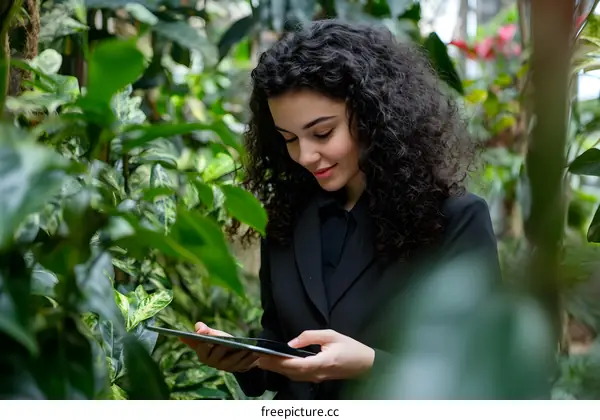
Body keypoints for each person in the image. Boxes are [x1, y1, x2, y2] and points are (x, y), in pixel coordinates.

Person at [180, 19, 502, 399]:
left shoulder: (454, 221)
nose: (305, 156)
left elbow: (482, 375)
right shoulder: (285, 217)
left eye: (322, 133)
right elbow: (284, 340)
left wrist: (371, 363)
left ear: (373, 114)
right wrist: (247, 356)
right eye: (288, 139)